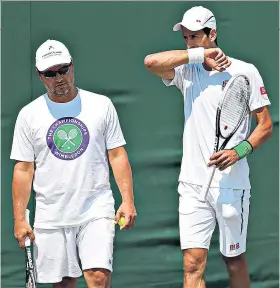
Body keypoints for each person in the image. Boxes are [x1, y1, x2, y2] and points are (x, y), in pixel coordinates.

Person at [144, 6, 273, 288]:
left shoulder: (245, 71)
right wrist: (200, 54)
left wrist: (238, 151)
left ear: (212, 33)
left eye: (195, 37)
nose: (189, 42)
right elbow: (150, 62)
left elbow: (265, 126)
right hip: (192, 185)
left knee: (234, 261)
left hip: (231, 185)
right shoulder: (187, 71)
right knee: (191, 263)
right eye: (186, 38)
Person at [11, 39, 137, 288]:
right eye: (50, 73)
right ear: (40, 75)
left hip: (96, 208)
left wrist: (128, 200)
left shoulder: (101, 105)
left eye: (63, 70)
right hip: (51, 215)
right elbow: (24, 170)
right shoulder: (28, 115)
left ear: (72, 66)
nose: (58, 78)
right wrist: (19, 218)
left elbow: (117, 154)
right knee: (64, 284)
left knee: (98, 278)